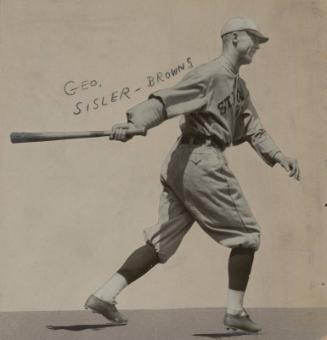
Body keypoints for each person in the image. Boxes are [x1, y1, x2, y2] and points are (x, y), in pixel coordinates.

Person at [84, 17, 301, 333]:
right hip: (200, 158)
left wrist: (279, 156)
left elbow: (253, 128)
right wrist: (137, 123)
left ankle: (104, 295)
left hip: (182, 162)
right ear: (234, 38)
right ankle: (235, 311)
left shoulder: (239, 86)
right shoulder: (210, 74)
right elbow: (166, 100)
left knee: (162, 243)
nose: (257, 46)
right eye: (253, 39)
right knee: (248, 234)